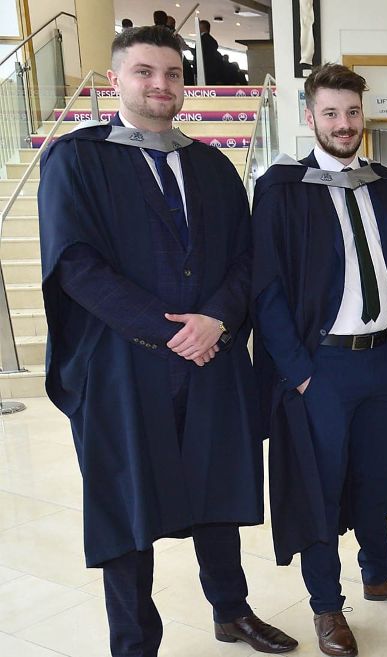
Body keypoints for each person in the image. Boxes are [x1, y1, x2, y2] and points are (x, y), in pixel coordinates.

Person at [37, 26, 297, 657]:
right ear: (116, 79)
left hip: (212, 356)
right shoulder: (76, 159)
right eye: (145, 72)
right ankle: (132, 641)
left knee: (217, 489)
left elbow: (245, 258)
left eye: (173, 74)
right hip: (123, 363)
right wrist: (169, 332)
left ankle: (231, 611)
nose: (161, 85)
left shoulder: (213, 166)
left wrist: (216, 321)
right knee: (127, 503)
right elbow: (75, 263)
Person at [251, 63, 387, 657]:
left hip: (386, 362)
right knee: (321, 488)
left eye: (352, 112)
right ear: (310, 118)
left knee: (376, 476)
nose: (343, 123)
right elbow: (268, 289)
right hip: (323, 369)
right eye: (331, 113)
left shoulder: (386, 185)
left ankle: (379, 573)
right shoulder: (282, 188)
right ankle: (327, 605)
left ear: (365, 116)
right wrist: (299, 372)